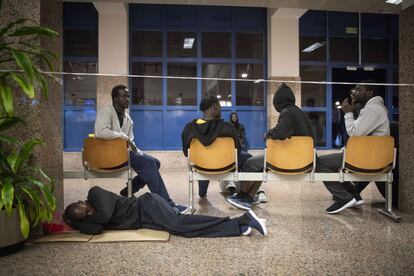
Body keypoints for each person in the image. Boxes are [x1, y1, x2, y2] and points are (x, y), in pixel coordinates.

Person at [94, 85, 187, 213]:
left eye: (128, 96)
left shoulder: (128, 119)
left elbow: (130, 142)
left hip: (121, 154)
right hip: (108, 155)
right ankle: (167, 204)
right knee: (148, 163)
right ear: (115, 98)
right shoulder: (106, 110)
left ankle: (129, 190)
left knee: (155, 162)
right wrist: (123, 137)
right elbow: (100, 132)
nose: (127, 99)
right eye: (123, 96)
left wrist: (139, 152)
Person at [227, 83, 314, 211]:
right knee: (260, 165)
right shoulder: (297, 111)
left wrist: (267, 134)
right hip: (302, 157)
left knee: (250, 163)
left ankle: (243, 196)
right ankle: (250, 196)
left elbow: (281, 131)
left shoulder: (287, 112)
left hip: (290, 158)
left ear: (278, 101)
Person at [64, 186, 268, 237]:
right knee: (184, 230)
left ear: (83, 201)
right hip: (146, 219)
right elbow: (96, 230)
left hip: (147, 204)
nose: (91, 215)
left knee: (179, 223)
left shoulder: (95, 193)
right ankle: (240, 226)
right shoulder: (90, 217)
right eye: (86, 217)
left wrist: (83, 219)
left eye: (86, 210)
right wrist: (73, 221)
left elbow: (104, 218)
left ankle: (244, 218)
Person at [316, 81, 390, 214]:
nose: (353, 92)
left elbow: (355, 133)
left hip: (366, 156)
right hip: (368, 154)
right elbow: (362, 136)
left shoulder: (372, 109)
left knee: (319, 163)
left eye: (358, 89)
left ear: (369, 93)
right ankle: (354, 195)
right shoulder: (372, 108)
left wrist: (348, 113)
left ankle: (344, 198)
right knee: (332, 163)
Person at [181, 97, 252, 198]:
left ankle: (202, 193)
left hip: (200, 164)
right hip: (225, 164)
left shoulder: (189, 128)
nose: (220, 109)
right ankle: (245, 194)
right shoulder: (227, 126)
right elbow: (237, 150)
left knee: (203, 161)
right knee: (249, 158)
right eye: (219, 106)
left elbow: (186, 152)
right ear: (214, 106)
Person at [220, 112, 267, 203]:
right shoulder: (229, 126)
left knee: (249, 162)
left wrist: (239, 144)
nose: (234, 118)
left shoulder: (239, 126)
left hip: (238, 150)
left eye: (235, 116)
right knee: (250, 163)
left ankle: (258, 193)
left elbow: (242, 137)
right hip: (235, 179)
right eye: (232, 117)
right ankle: (245, 194)